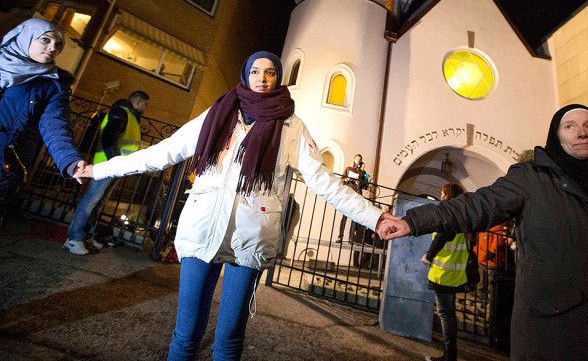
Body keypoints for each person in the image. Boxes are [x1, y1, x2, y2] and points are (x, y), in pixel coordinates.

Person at [75, 51, 397, 360]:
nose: (262, 78)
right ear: (245, 74)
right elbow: (163, 152)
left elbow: (324, 181)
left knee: (229, 339)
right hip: (202, 233)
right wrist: (98, 169)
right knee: (185, 335)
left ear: (278, 78)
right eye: (255, 71)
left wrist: (375, 217)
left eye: (270, 72)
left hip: (250, 239)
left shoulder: (291, 126)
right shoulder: (217, 114)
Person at [379, 104, 588, 361]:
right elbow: (478, 205)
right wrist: (413, 221)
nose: (582, 133)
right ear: (557, 136)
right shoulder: (532, 179)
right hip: (556, 334)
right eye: (570, 126)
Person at [0, 18, 86, 228]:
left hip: (4, 166)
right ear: (25, 37)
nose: (52, 48)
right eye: (45, 40)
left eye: (58, 45)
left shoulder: (52, 86)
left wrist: (70, 160)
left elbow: (56, 125)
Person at [64, 90, 149, 255]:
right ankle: (74, 239)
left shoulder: (129, 116)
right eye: (145, 104)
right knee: (93, 199)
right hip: (108, 165)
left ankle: (85, 236)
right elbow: (109, 137)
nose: (146, 107)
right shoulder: (121, 112)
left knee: (99, 201)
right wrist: (114, 162)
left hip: (115, 166)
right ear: (138, 103)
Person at [421, 183, 466, 361]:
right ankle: (450, 354)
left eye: (443, 194)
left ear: (449, 196)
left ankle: (449, 356)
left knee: (445, 314)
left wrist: (428, 256)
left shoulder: (449, 216)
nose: (441, 197)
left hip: (444, 274)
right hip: (455, 273)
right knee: (449, 313)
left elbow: (441, 237)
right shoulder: (464, 216)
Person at [336, 153, 368, 243]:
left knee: (354, 217)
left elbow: (366, 185)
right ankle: (340, 237)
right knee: (344, 216)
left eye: (359, 160)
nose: (358, 161)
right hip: (348, 194)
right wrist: (346, 180)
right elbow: (342, 180)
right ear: (354, 160)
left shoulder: (363, 173)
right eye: (356, 159)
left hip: (357, 194)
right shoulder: (348, 169)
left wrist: (360, 183)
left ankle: (351, 238)